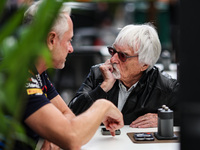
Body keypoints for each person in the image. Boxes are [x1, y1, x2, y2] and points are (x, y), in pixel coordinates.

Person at [20, 1, 124, 149]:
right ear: (51, 40)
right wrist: (103, 106)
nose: (71, 49)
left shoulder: (36, 70)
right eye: (69, 40)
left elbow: (66, 114)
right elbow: (72, 137)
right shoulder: (21, 77)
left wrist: (53, 134)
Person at [68, 23, 180, 128]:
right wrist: (103, 87)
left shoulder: (164, 86)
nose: (112, 59)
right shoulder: (98, 73)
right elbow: (71, 114)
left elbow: (192, 115)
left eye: (122, 56)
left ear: (144, 65)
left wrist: (165, 118)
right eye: (113, 51)